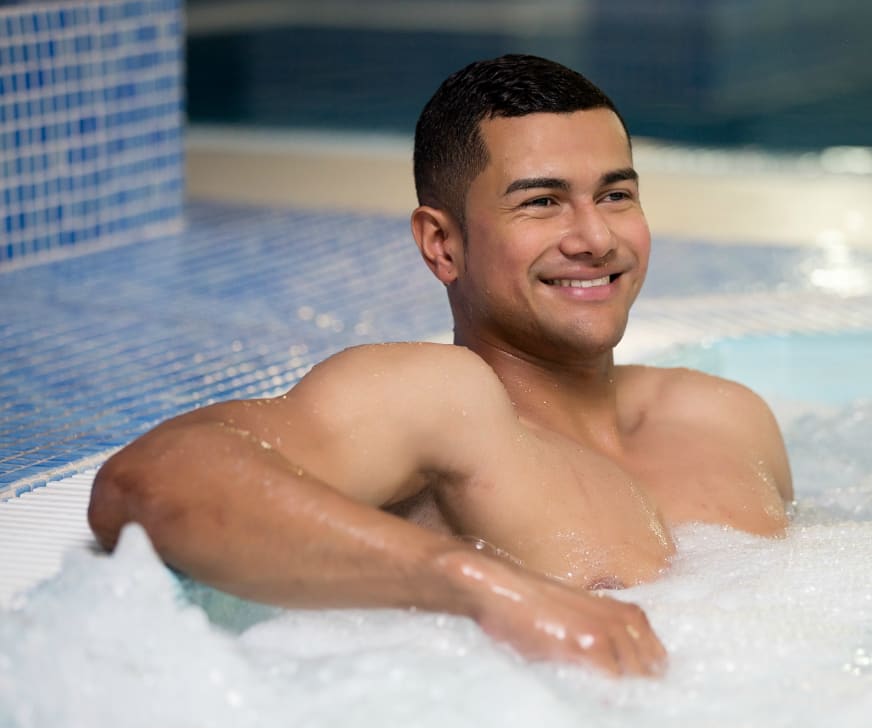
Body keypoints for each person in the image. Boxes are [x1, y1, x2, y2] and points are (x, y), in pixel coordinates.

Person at [88, 54, 793, 678]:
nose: (595, 237)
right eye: (542, 203)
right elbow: (146, 480)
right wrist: (481, 586)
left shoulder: (726, 417)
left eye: (614, 194)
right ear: (441, 245)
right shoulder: (444, 406)